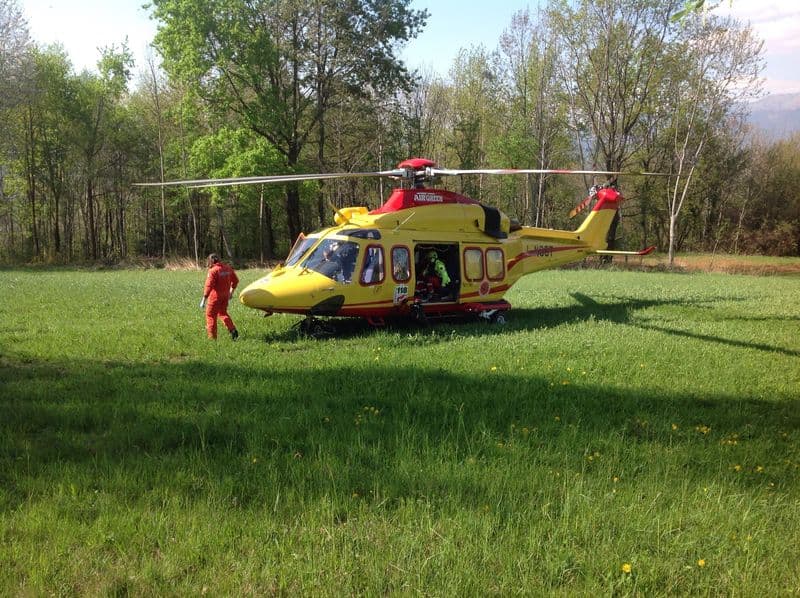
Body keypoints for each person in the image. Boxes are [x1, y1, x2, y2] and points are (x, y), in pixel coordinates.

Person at [200, 253, 239, 340]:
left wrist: (204, 299)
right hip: (225, 296)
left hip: (215, 297)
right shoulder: (228, 268)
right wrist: (231, 292)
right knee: (223, 313)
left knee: (210, 316)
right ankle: (232, 330)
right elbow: (236, 280)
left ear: (210, 261)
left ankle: (212, 339)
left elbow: (208, 286)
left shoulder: (213, 271)